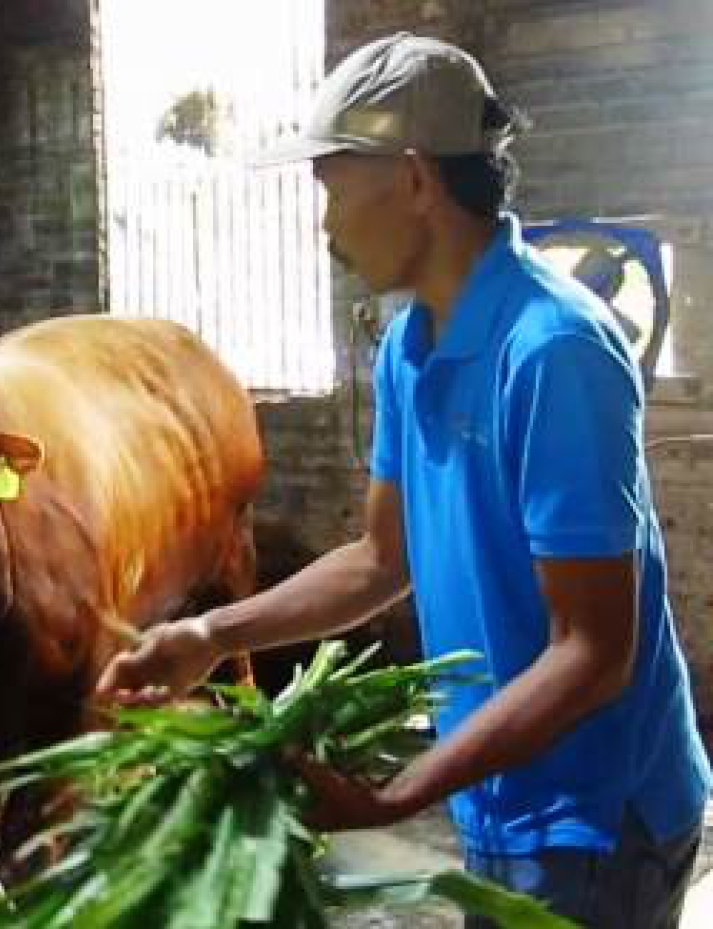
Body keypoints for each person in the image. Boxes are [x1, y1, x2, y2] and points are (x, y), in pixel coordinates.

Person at [95, 32, 710, 928]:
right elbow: (381, 558)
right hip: (499, 789)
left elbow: (592, 650)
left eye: (333, 189)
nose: (327, 225)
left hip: (595, 819)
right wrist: (208, 633)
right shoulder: (408, 347)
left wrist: (400, 793)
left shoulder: (554, 350)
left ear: (416, 181)